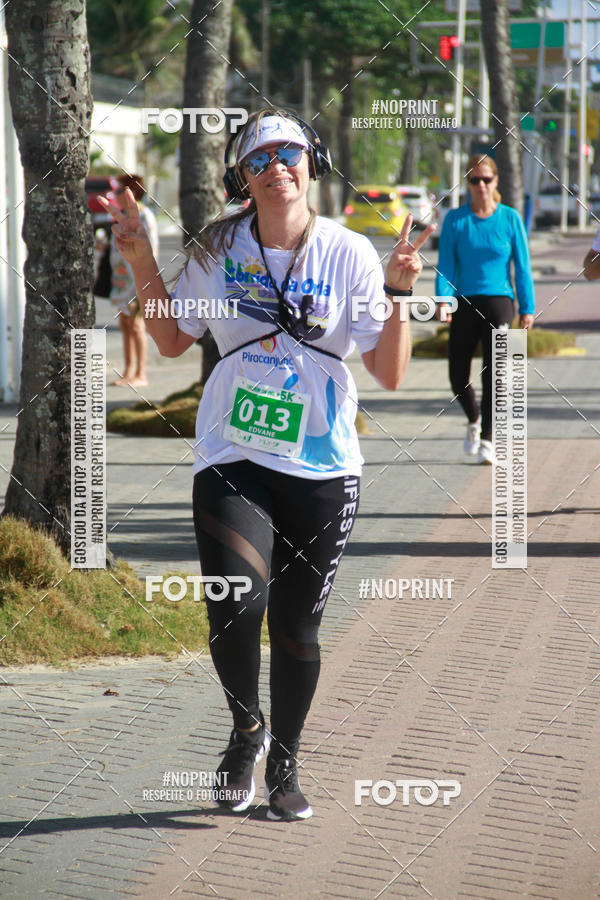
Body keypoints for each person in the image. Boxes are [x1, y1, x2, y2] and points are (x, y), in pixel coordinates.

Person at [98, 109, 435, 821]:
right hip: (233, 453)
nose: (278, 165)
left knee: (295, 627)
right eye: (261, 158)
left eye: (292, 153)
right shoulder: (219, 248)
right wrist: (140, 257)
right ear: (243, 179)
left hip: (322, 466)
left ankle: (285, 759)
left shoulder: (347, 253)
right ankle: (245, 730)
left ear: (313, 163)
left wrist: (400, 291)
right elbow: (168, 340)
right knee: (234, 605)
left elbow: (391, 373)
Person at [435, 155, 535, 465]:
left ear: (495, 182)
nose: (481, 185)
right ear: (468, 184)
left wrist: (527, 307)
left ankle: (488, 439)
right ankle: (474, 418)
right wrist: (443, 299)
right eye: (475, 180)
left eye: (486, 179)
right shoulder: (455, 219)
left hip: (500, 304)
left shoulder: (510, 219)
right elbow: (446, 265)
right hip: (465, 303)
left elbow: (523, 266)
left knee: (496, 375)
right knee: (457, 375)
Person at [106, 174, 158, 386]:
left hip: (137, 279)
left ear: (131, 192)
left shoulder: (143, 216)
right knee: (125, 323)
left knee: (136, 325)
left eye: (118, 191)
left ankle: (141, 374)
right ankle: (128, 371)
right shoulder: (121, 216)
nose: (114, 195)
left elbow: (150, 249)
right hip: (120, 280)